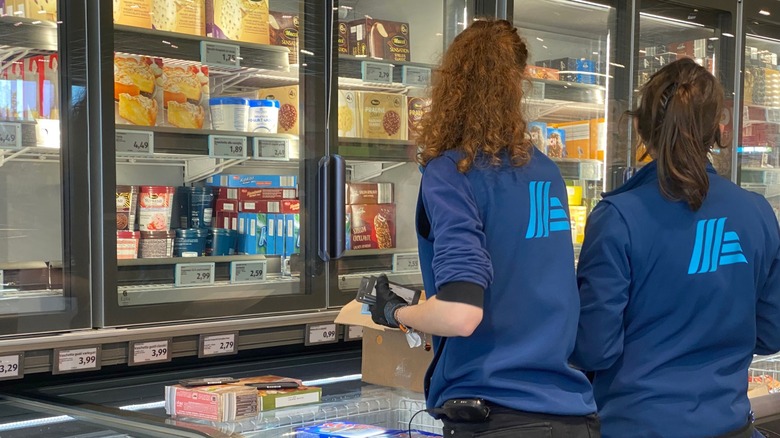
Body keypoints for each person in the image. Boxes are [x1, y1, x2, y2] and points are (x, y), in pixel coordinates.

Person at [368, 19, 599, 437]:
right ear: (519, 84)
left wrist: (394, 312)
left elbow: (461, 314)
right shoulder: (546, 171)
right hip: (571, 413)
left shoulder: (451, 172)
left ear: (450, 85)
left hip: (496, 414)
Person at [572, 57, 780, 438]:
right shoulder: (756, 213)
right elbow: (771, 332)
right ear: (717, 131)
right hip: (730, 426)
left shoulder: (618, 217)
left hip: (636, 426)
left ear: (641, 127)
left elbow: (595, 348)